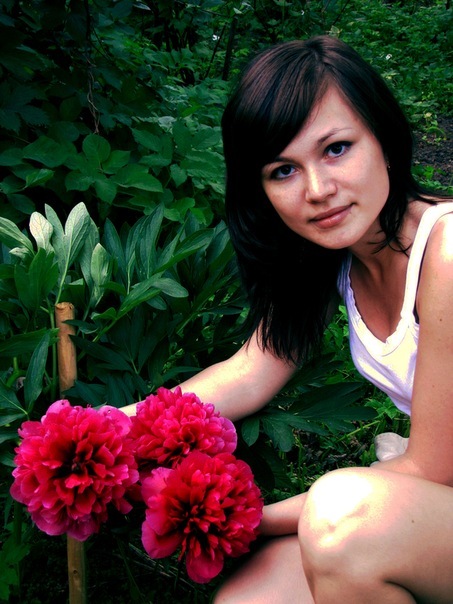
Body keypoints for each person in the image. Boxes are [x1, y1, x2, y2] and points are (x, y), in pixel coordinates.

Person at [123, 35, 453, 602]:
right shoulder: (337, 258)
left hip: (432, 484)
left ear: (384, 139)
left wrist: (240, 517)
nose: (318, 191)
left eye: (336, 149)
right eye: (283, 170)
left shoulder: (446, 255)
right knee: (249, 598)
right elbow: (251, 370)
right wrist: (108, 427)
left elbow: (430, 468)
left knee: (340, 520)